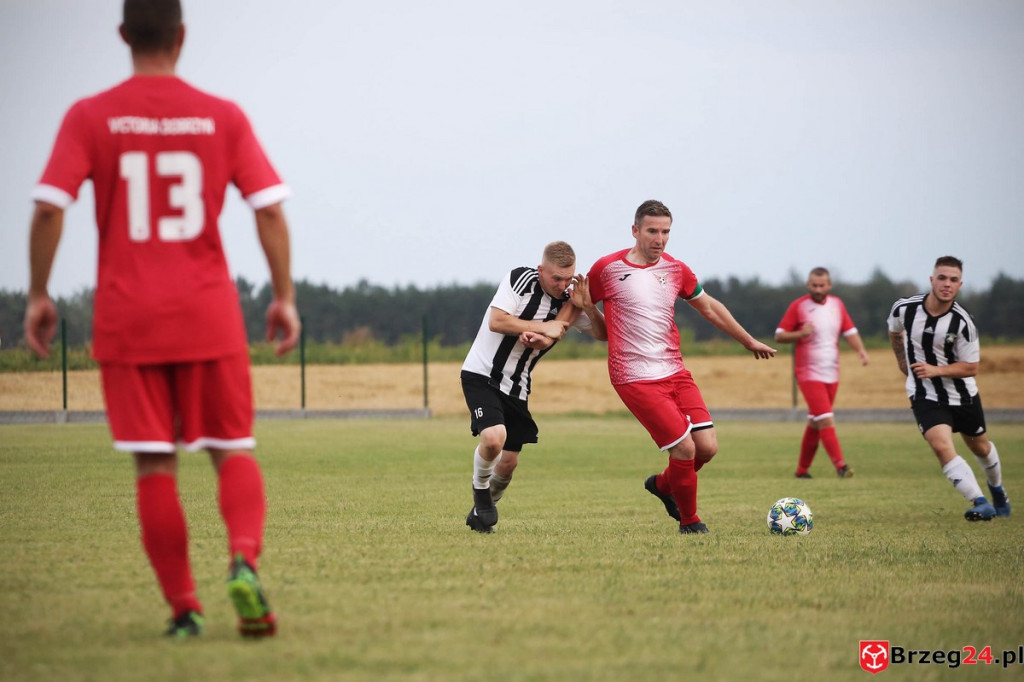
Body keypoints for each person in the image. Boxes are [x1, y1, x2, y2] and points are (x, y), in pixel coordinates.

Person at [24, 0, 300, 638]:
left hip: (129, 320)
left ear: (123, 34)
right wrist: (283, 295)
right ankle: (243, 560)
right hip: (208, 314)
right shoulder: (222, 116)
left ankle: (184, 610)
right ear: (181, 37)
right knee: (230, 447)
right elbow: (267, 209)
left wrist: (39, 293)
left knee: (154, 463)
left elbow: (47, 208)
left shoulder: (89, 115)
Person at [586, 200, 776, 534]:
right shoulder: (606, 269)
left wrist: (748, 341)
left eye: (665, 232)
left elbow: (710, 308)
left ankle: (662, 485)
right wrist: (548, 331)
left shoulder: (676, 270)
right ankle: (690, 523)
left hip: (675, 372)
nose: (659, 239)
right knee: (684, 448)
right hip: (633, 377)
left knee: (707, 447)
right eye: (652, 231)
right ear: (635, 231)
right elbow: (577, 306)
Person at [462, 241, 606, 533]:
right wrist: (545, 327)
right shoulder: (521, 279)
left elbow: (603, 335)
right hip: (481, 374)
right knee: (493, 439)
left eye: (569, 278)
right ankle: (479, 490)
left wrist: (589, 307)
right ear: (542, 270)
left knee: (508, 465)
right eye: (556, 278)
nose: (563, 284)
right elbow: (497, 320)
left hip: (518, 387)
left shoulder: (570, 302)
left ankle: (482, 513)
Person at [888, 256, 1010, 521]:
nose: (946, 284)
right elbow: (895, 331)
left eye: (953, 280)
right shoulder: (905, 309)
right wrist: (901, 361)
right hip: (924, 394)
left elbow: (971, 366)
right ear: (932, 280)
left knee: (980, 447)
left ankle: (998, 492)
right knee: (941, 445)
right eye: (942, 278)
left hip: (963, 395)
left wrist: (936, 370)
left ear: (960, 285)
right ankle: (980, 501)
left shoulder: (963, 323)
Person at [775, 267, 869, 479]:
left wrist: (861, 351)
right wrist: (800, 333)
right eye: (814, 285)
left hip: (831, 372)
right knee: (826, 419)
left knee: (816, 421)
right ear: (808, 285)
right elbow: (779, 335)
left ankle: (801, 470)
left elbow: (850, 331)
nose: (818, 289)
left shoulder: (837, 304)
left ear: (829, 285)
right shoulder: (798, 306)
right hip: (808, 372)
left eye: (822, 285)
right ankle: (841, 466)